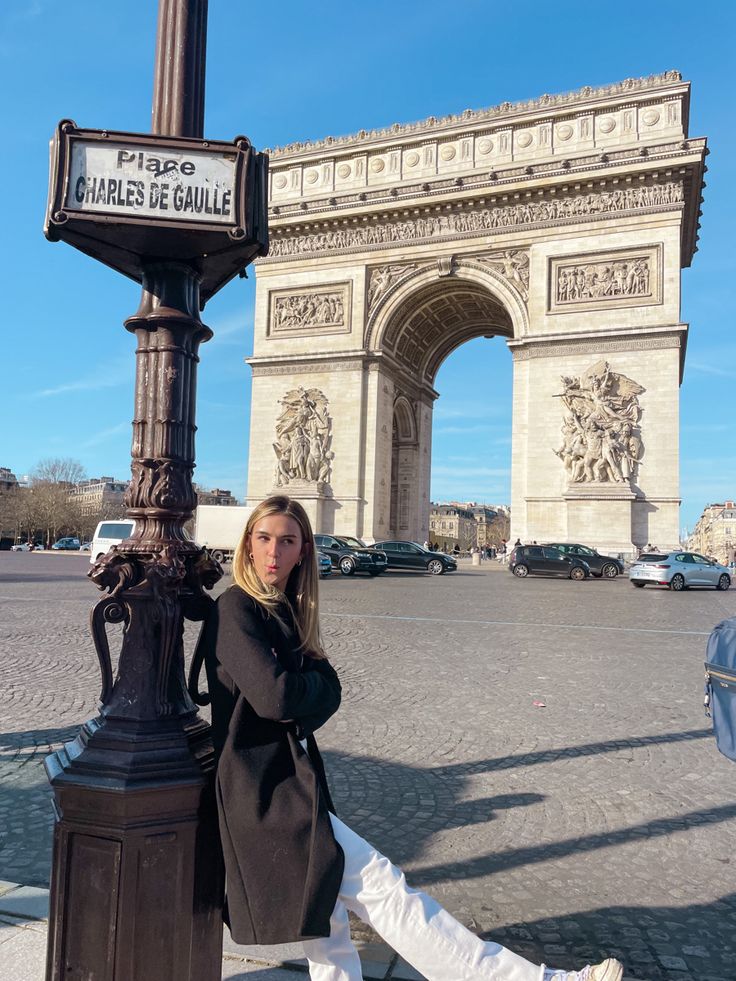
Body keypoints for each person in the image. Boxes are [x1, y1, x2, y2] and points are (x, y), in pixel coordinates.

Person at [198, 495, 623, 981]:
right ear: (247, 545)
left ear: (303, 552)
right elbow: (279, 698)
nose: (274, 550)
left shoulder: (282, 613)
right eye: (264, 538)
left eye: (287, 541)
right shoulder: (236, 608)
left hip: (285, 785)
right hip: (263, 795)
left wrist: (307, 689)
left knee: (329, 934)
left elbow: (323, 694)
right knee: (383, 889)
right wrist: (308, 686)